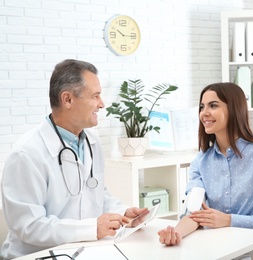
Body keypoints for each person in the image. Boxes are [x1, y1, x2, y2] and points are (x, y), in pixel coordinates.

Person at [1, 59, 148, 259]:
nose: (102, 104)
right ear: (68, 99)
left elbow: (97, 194)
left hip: (81, 251)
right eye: (95, 96)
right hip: (38, 256)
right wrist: (91, 228)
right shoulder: (27, 154)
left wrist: (123, 213)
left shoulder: (91, 142)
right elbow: (30, 226)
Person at [157, 82, 253, 259]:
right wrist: (176, 233)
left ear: (234, 110)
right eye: (202, 107)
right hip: (219, 250)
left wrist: (229, 220)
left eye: (213, 105)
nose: (204, 112)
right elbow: (195, 213)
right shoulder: (200, 162)